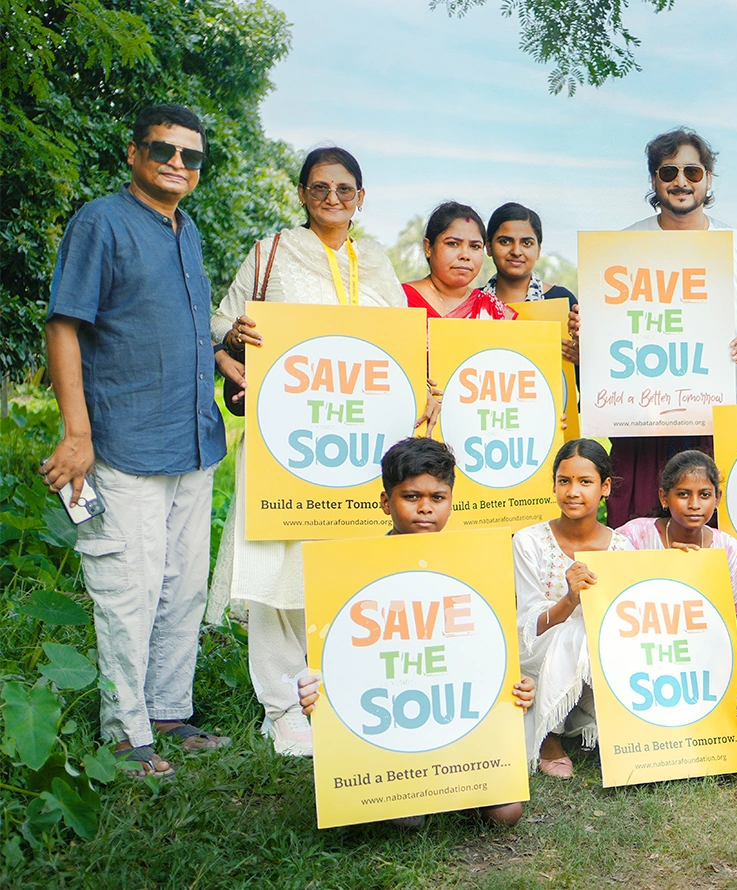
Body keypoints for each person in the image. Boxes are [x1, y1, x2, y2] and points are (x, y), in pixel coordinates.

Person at [41, 104, 230, 779]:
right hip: (122, 443)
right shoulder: (101, 222)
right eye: (164, 149)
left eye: (192, 156)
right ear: (133, 153)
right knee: (131, 588)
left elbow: (173, 324)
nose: (179, 163)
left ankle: (170, 714)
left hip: (193, 442)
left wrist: (223, 360)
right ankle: (126, 734)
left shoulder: (189, 231)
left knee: (182, 590)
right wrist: (78, 433)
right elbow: (65, 326)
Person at [208, 145, 406, 757]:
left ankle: (338, 685)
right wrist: (233, 340)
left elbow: (399, 337)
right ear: (300, 194)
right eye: (319, 188)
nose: (332, 199)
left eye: (344, 190)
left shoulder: (375, 262)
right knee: (276, 558)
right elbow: (219, 322)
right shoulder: (271, 252)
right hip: (287, 436)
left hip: (358, 439)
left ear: (361, 199)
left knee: (343, 559)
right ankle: (282, 702)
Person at [297, 437, 532, 826]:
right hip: (389, 716)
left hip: (450, 715)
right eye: (411, 496)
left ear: (452, 499)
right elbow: (326, 658)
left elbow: (487, 650)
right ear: (387, 502)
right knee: (402, 820)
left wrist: (514, 684)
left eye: (438, 497)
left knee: (507, 813)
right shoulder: (353, 571)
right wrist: (311, 689)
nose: (425, 508)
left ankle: (456, 785)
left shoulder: (474, 568)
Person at [604, 127, 737, 527]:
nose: (681, 182)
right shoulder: (624, 244)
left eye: (693, 172)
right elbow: (605, 330)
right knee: (638, 534)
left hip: (719, 419)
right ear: (654, 180)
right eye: (668, 173)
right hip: (642, 424)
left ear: (709, 178)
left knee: (717, 536)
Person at [514, 438, 633, 777]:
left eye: (585, 482)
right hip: (539, 652)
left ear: (605, 487)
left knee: (589, 635)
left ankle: (617, 733)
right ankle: (547, 733)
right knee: (574, 631)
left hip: (597, 658)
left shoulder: (621, 546)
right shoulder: (529, 541)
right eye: (564, 481)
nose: (573, 492)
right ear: (553, 485)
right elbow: (529, 624)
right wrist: (570, 599)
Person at [615, 450, 737, 621]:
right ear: (664, 497)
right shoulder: (635, 537)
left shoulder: (729, 551)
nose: (694, 504)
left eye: (705, 495)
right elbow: (615, 597)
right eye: (683, 494)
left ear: (717, 499)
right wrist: (667, 566)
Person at [484, 201, 580, 367]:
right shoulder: (470, 303)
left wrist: (581, 360)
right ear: (489, 247)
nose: (516, 251)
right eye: (505, 241)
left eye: (526, 243)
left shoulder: (561, 300)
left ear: (538, 250)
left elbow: (577, 381)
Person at [403, 202, 517, 320]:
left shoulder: (492, 310)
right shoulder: (400, 299)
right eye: (453, 244)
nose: (465, 255)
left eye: (475, 246)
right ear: (428, 247)